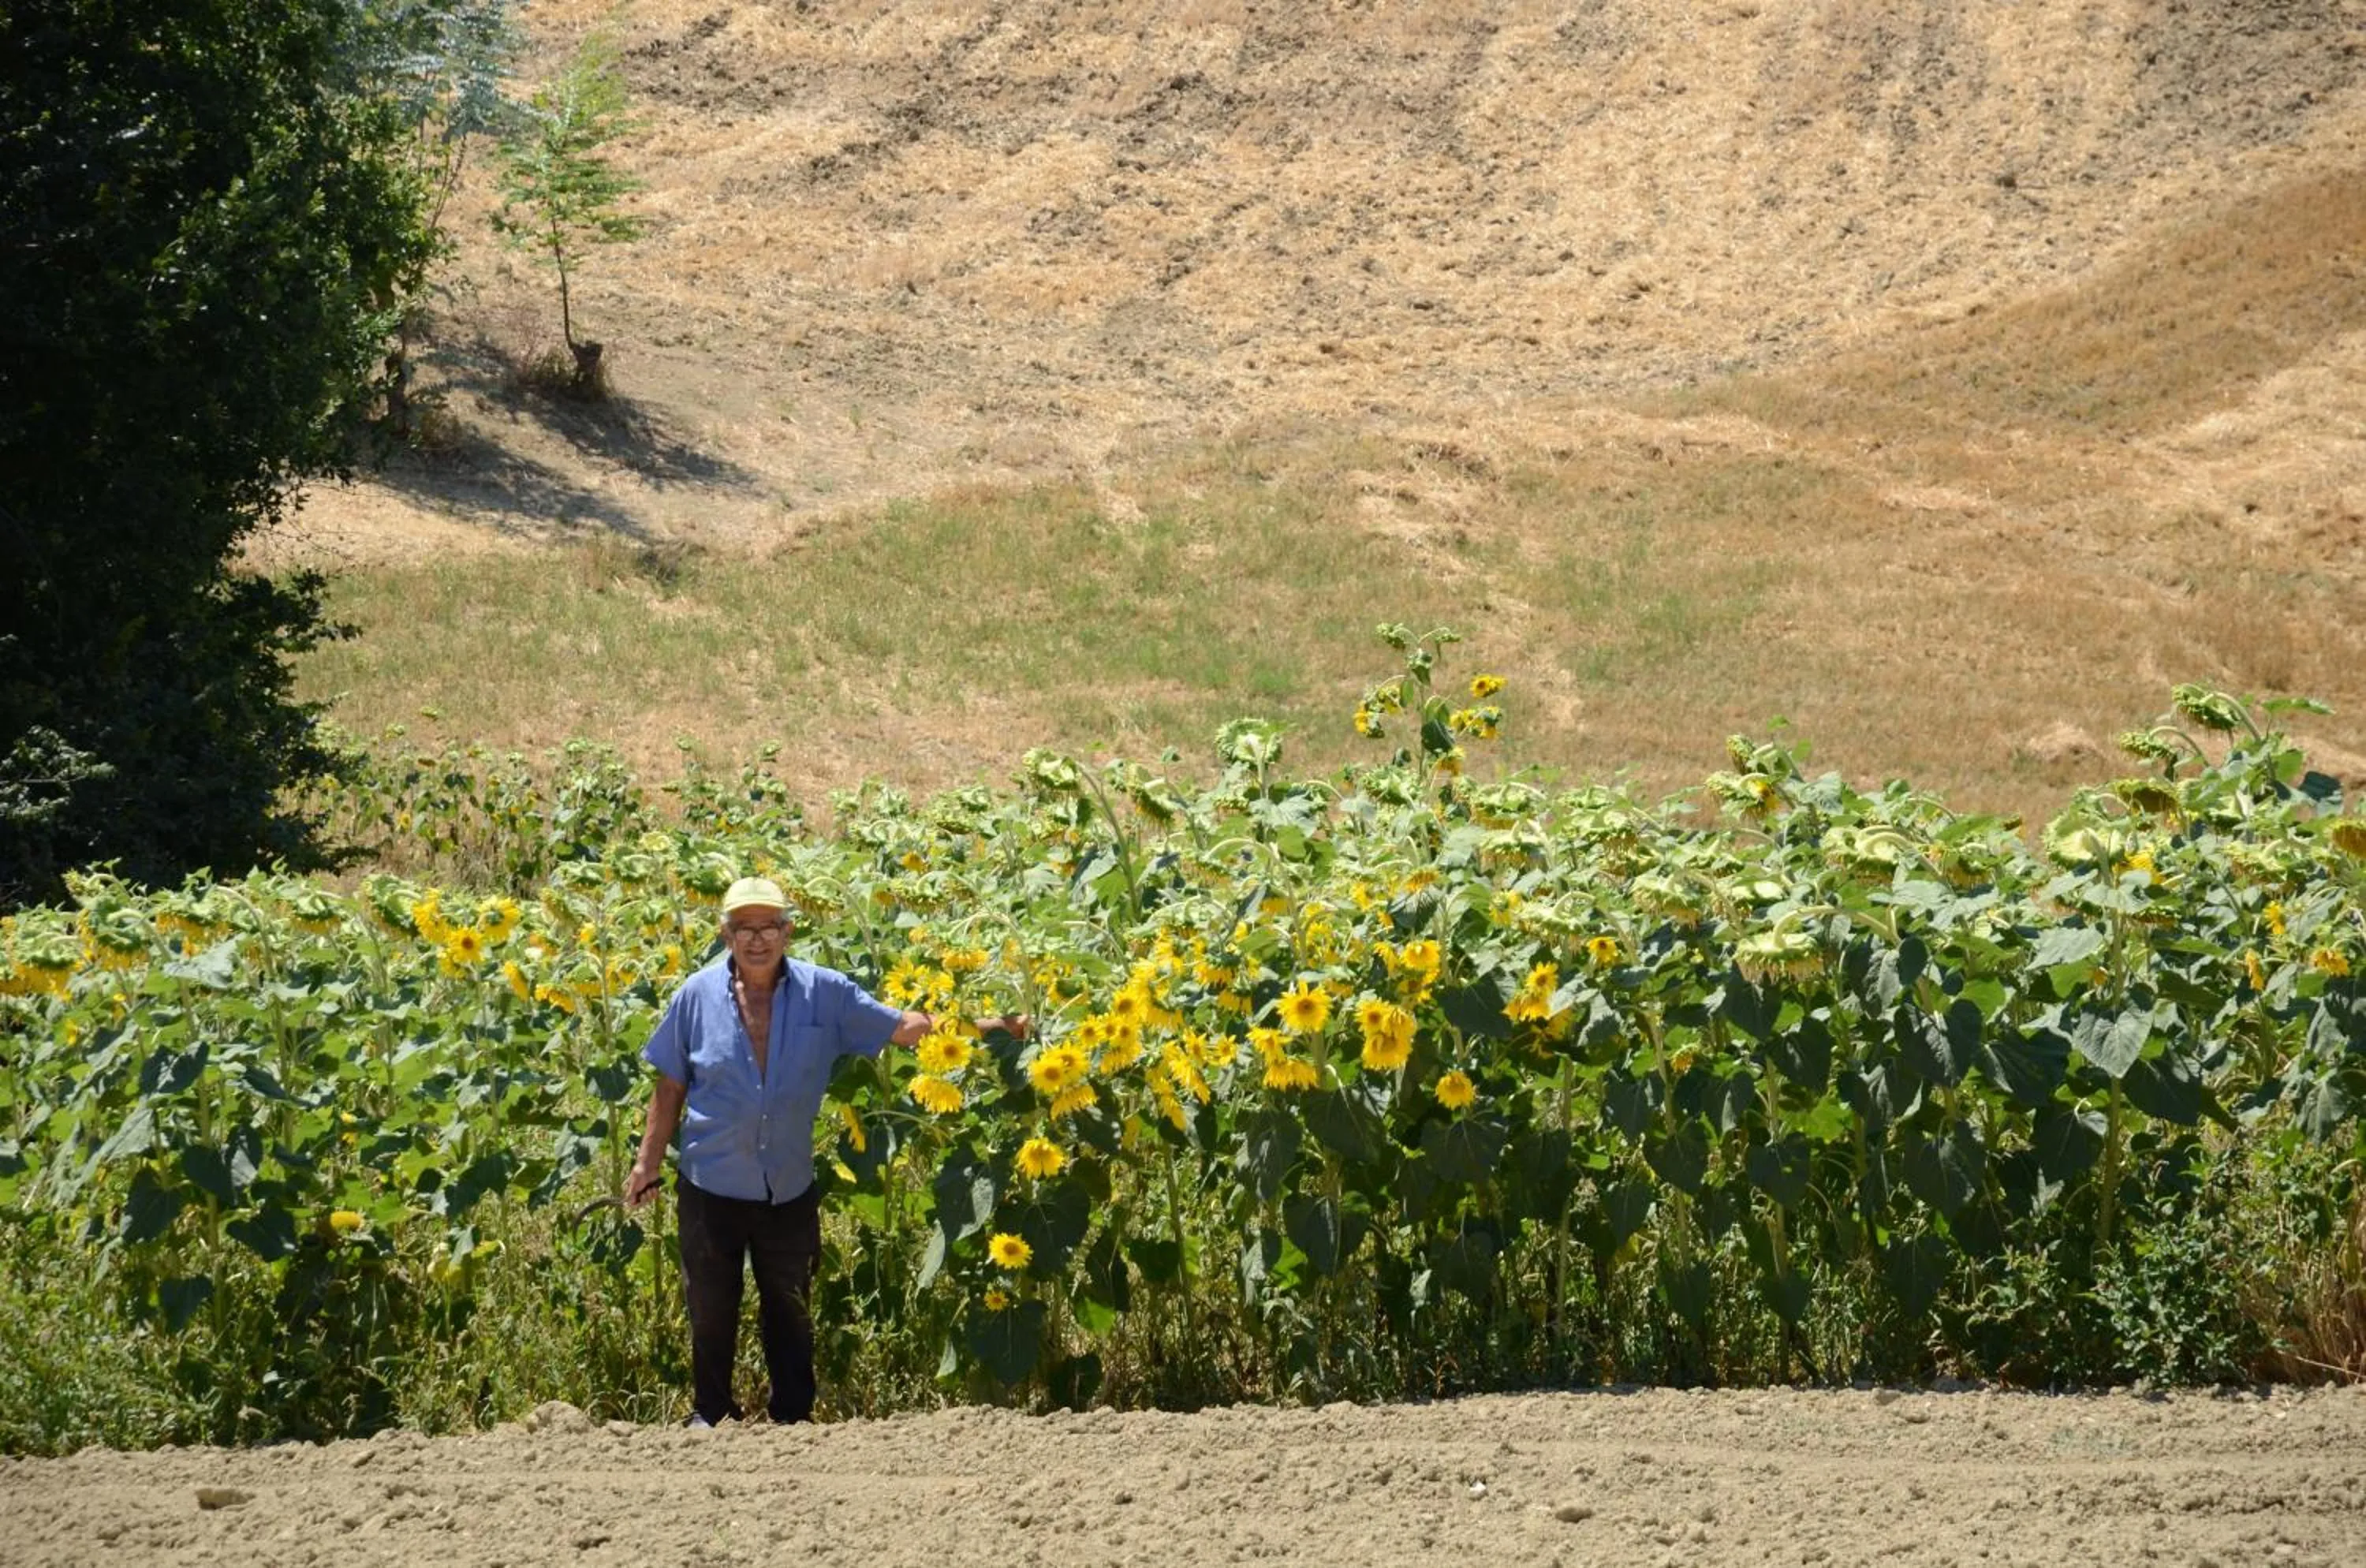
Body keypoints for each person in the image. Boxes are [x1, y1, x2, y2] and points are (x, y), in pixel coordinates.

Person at [622, 875, 1024, 1426]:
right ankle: (711, 1416)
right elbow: (670, 1085)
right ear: (726, 935)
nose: (758, 940)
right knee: (710, 1310)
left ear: (787, 932)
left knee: (790, 1309)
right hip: (711, 1183)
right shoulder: (695, 996)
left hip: (787, 1184)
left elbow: (906, 1029)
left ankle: (793, 1424)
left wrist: (1003, 1028)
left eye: (769, 927)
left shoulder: (825, 992)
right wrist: (646, 1164)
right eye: (745, 928)